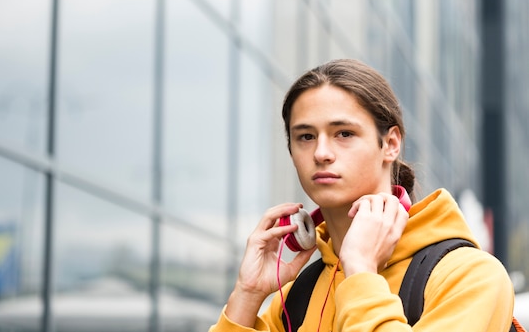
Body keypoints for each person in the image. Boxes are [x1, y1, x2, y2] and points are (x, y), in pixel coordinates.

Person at [209, 59, 514, 331]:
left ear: (391, 144)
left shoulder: (470, 277)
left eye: (344, 133)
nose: (321, 152)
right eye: (305, 136)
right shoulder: (297, 298)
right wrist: (247, 295)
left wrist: (361, 273)